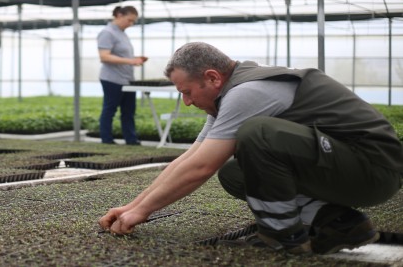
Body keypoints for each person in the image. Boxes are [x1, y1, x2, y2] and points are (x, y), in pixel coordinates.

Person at [99, 42, 402, 255]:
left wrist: (143, 212)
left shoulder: (248, 93)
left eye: (187, 92)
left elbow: (201, 168)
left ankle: (284, 237)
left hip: (373, 169)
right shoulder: (229, 98)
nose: (187, 102)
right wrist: (133, 206)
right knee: (236, 173)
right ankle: (341, 224)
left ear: (213, 78)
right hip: (346, 167)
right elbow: (190, 159)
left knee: (258, 134)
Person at [97, 5, 148, 145]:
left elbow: (120, 55)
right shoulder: (107, 32)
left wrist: (136, 58)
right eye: (129, 20)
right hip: (112, 79)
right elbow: (104, 57)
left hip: (127, 79)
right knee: (110, 109)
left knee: (128, 111)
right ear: (119, 15)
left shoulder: (121, 32)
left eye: (133, 21)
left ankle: (131, 140)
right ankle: (106, 140)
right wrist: (131, 61)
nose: (130, 24)